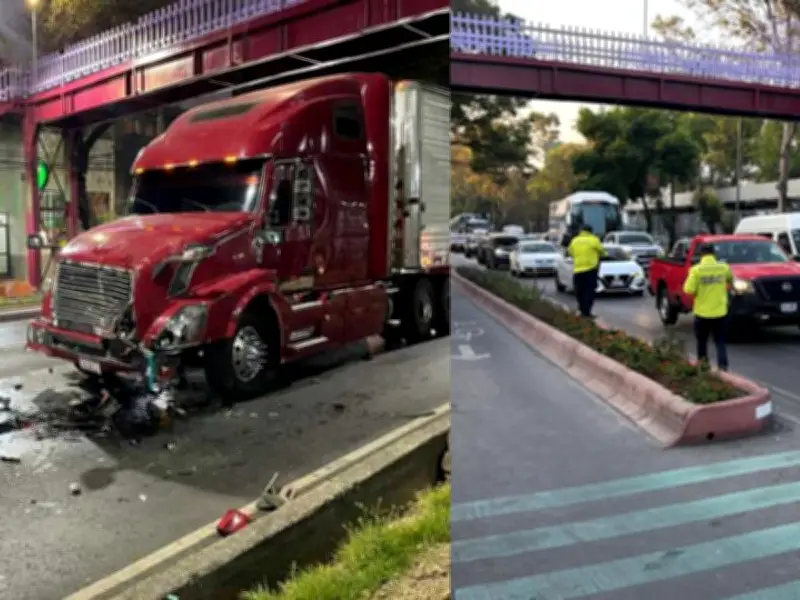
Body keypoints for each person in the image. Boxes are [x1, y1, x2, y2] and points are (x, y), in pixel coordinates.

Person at [682, 243, 733, 371]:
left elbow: (688, 289)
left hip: (702, 313)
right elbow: (730, 282)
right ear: (713, 253)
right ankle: (723, 367)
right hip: (720, 312)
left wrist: (698, 294)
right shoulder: (724, 268)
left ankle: (703, 366)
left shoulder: (696, 270)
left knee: (702, 341)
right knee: (720, 341)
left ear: (701, 254)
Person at [567, 225, 606, 318]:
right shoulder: (594, 240)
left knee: (579, 291)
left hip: (578, 270)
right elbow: (602, 251)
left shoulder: (575, 240)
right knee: (589, 292)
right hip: (590, 270)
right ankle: (586, 312)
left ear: (581, 231)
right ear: (591, 231)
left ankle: (581, 309)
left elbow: (570, 252)